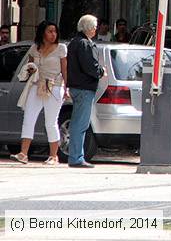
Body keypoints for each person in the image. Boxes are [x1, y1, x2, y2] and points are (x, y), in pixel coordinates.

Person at [11, 21, 67, 165]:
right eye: (49, 31)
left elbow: (65, 70)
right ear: (42, 33)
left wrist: (67, 88)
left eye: (54, 31)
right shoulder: (35, 49)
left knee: (51, 121)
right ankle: (23, 153)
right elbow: (29, 66)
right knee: (28, 118)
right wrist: (29, 69)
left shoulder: (61, 48)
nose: (53, 34)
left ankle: (53, 156)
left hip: (54, 86)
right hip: (36, 85)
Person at [66, 14, 104, 168]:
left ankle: (76, 156)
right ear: (88, 28)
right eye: (94, 26)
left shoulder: (74, 42)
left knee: (78, 122)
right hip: (84, 88)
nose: (96, 29)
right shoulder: (84, 44)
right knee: (80, 124)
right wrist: (101, 71)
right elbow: (90, 66)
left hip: (76, 86)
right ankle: (76, 157)